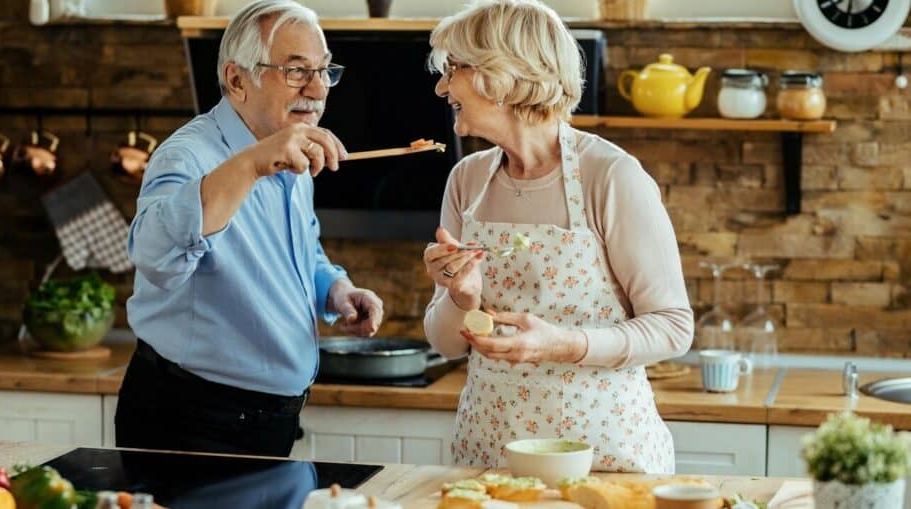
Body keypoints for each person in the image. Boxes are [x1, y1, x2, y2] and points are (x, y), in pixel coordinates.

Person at [422, 0, 693, 473]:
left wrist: (563, 344)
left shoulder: (610, 176)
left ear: (501, 74)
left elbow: (673, 326)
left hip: (606, 459)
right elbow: (445, 344)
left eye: (453, 68)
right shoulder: (466, 180)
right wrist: (461, 297)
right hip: (490, 456)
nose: (443, 86)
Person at [116, 0, 384, 457]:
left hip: (268, 421)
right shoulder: (187, 156)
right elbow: (153, 256)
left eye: (324, 71)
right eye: (297, 71)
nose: (318, 90)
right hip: (192, 418)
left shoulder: (289, 145)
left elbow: (298, 249)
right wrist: (252, 164)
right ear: (237, 79)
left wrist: (334, 289)